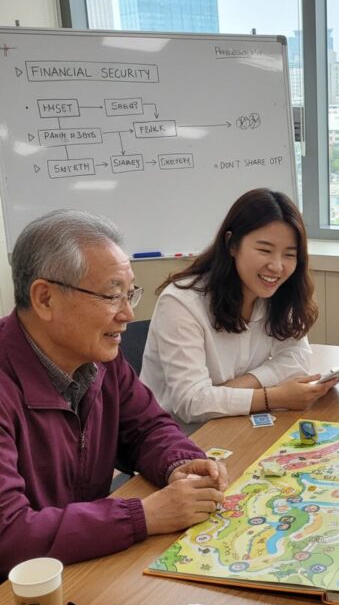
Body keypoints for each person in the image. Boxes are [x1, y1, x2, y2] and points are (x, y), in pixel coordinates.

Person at [0, 210, 232, 579]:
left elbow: (146, 428)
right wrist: (144, 515)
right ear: (44, 299)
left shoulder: (99, 358)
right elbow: (9, 534)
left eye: (130, 294)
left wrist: (179, 462)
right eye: (111, 296)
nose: (127, 314)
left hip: (82, 567)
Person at [141, 189, 337, 428]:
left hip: (235, 422)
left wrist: (239, 386)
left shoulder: (277, 292)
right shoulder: (181, 302)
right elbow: (191, 403)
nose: (276, 266)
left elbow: (296, 358)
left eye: (289, 255)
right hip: (177, 435)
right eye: (265, 250)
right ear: (232, 244)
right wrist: (273, 396)